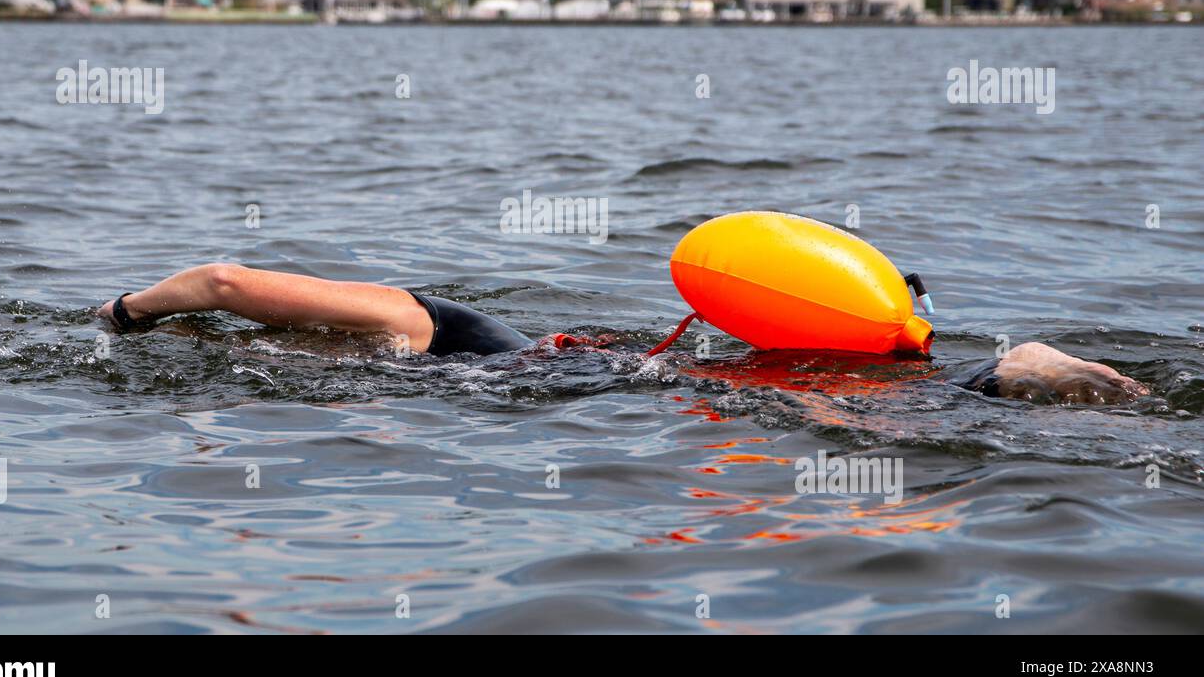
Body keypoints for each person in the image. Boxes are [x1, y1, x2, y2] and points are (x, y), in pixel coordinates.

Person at [97, 263, 1149, 403]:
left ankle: (1006, 374)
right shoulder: (466, 330)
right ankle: (1009, 365)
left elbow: (227, 280)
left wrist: (123, 315)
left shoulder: (431, 324)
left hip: (596, 392)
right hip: (639, 374)